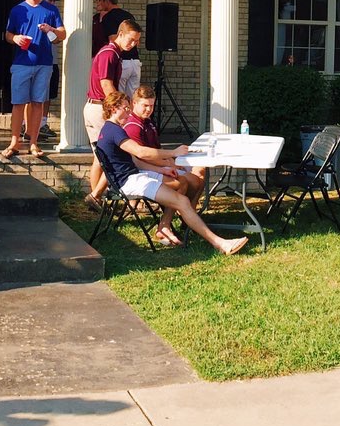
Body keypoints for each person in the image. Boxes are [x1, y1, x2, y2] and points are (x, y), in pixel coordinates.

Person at [89, 91, 248, 254]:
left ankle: (165, 227)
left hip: (134, 177)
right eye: (125, 108)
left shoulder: (109, 129)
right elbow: (141, 152)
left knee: (180, 185)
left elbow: (134, 161)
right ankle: (220, 244)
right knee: (182, 201)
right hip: (130, 182)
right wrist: (173, 152)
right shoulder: (115, 131)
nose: (129, 112)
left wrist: (162, 169)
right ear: (114, 108)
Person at [2, 0, 64, 158]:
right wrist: (16, 38)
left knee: (38, 103)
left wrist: (51, 29)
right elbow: (8, 34)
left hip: (44, 63)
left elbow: (62, 34)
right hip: (22, 62)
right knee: (18, 103)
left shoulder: (50, 10)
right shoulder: (17, 10)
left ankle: (34, 143)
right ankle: (14, 142)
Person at [84, 19, 142, 195]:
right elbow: (106, 85)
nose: (133, 44)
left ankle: (97, 197)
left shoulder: (114, 53)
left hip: (98, 106)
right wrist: (119, 110)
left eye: (137, 41)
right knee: (104, 156)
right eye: (131, 39)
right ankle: (96, 196)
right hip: (100, 108)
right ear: (120, 34)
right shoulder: (109, 53)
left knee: (101, 156)